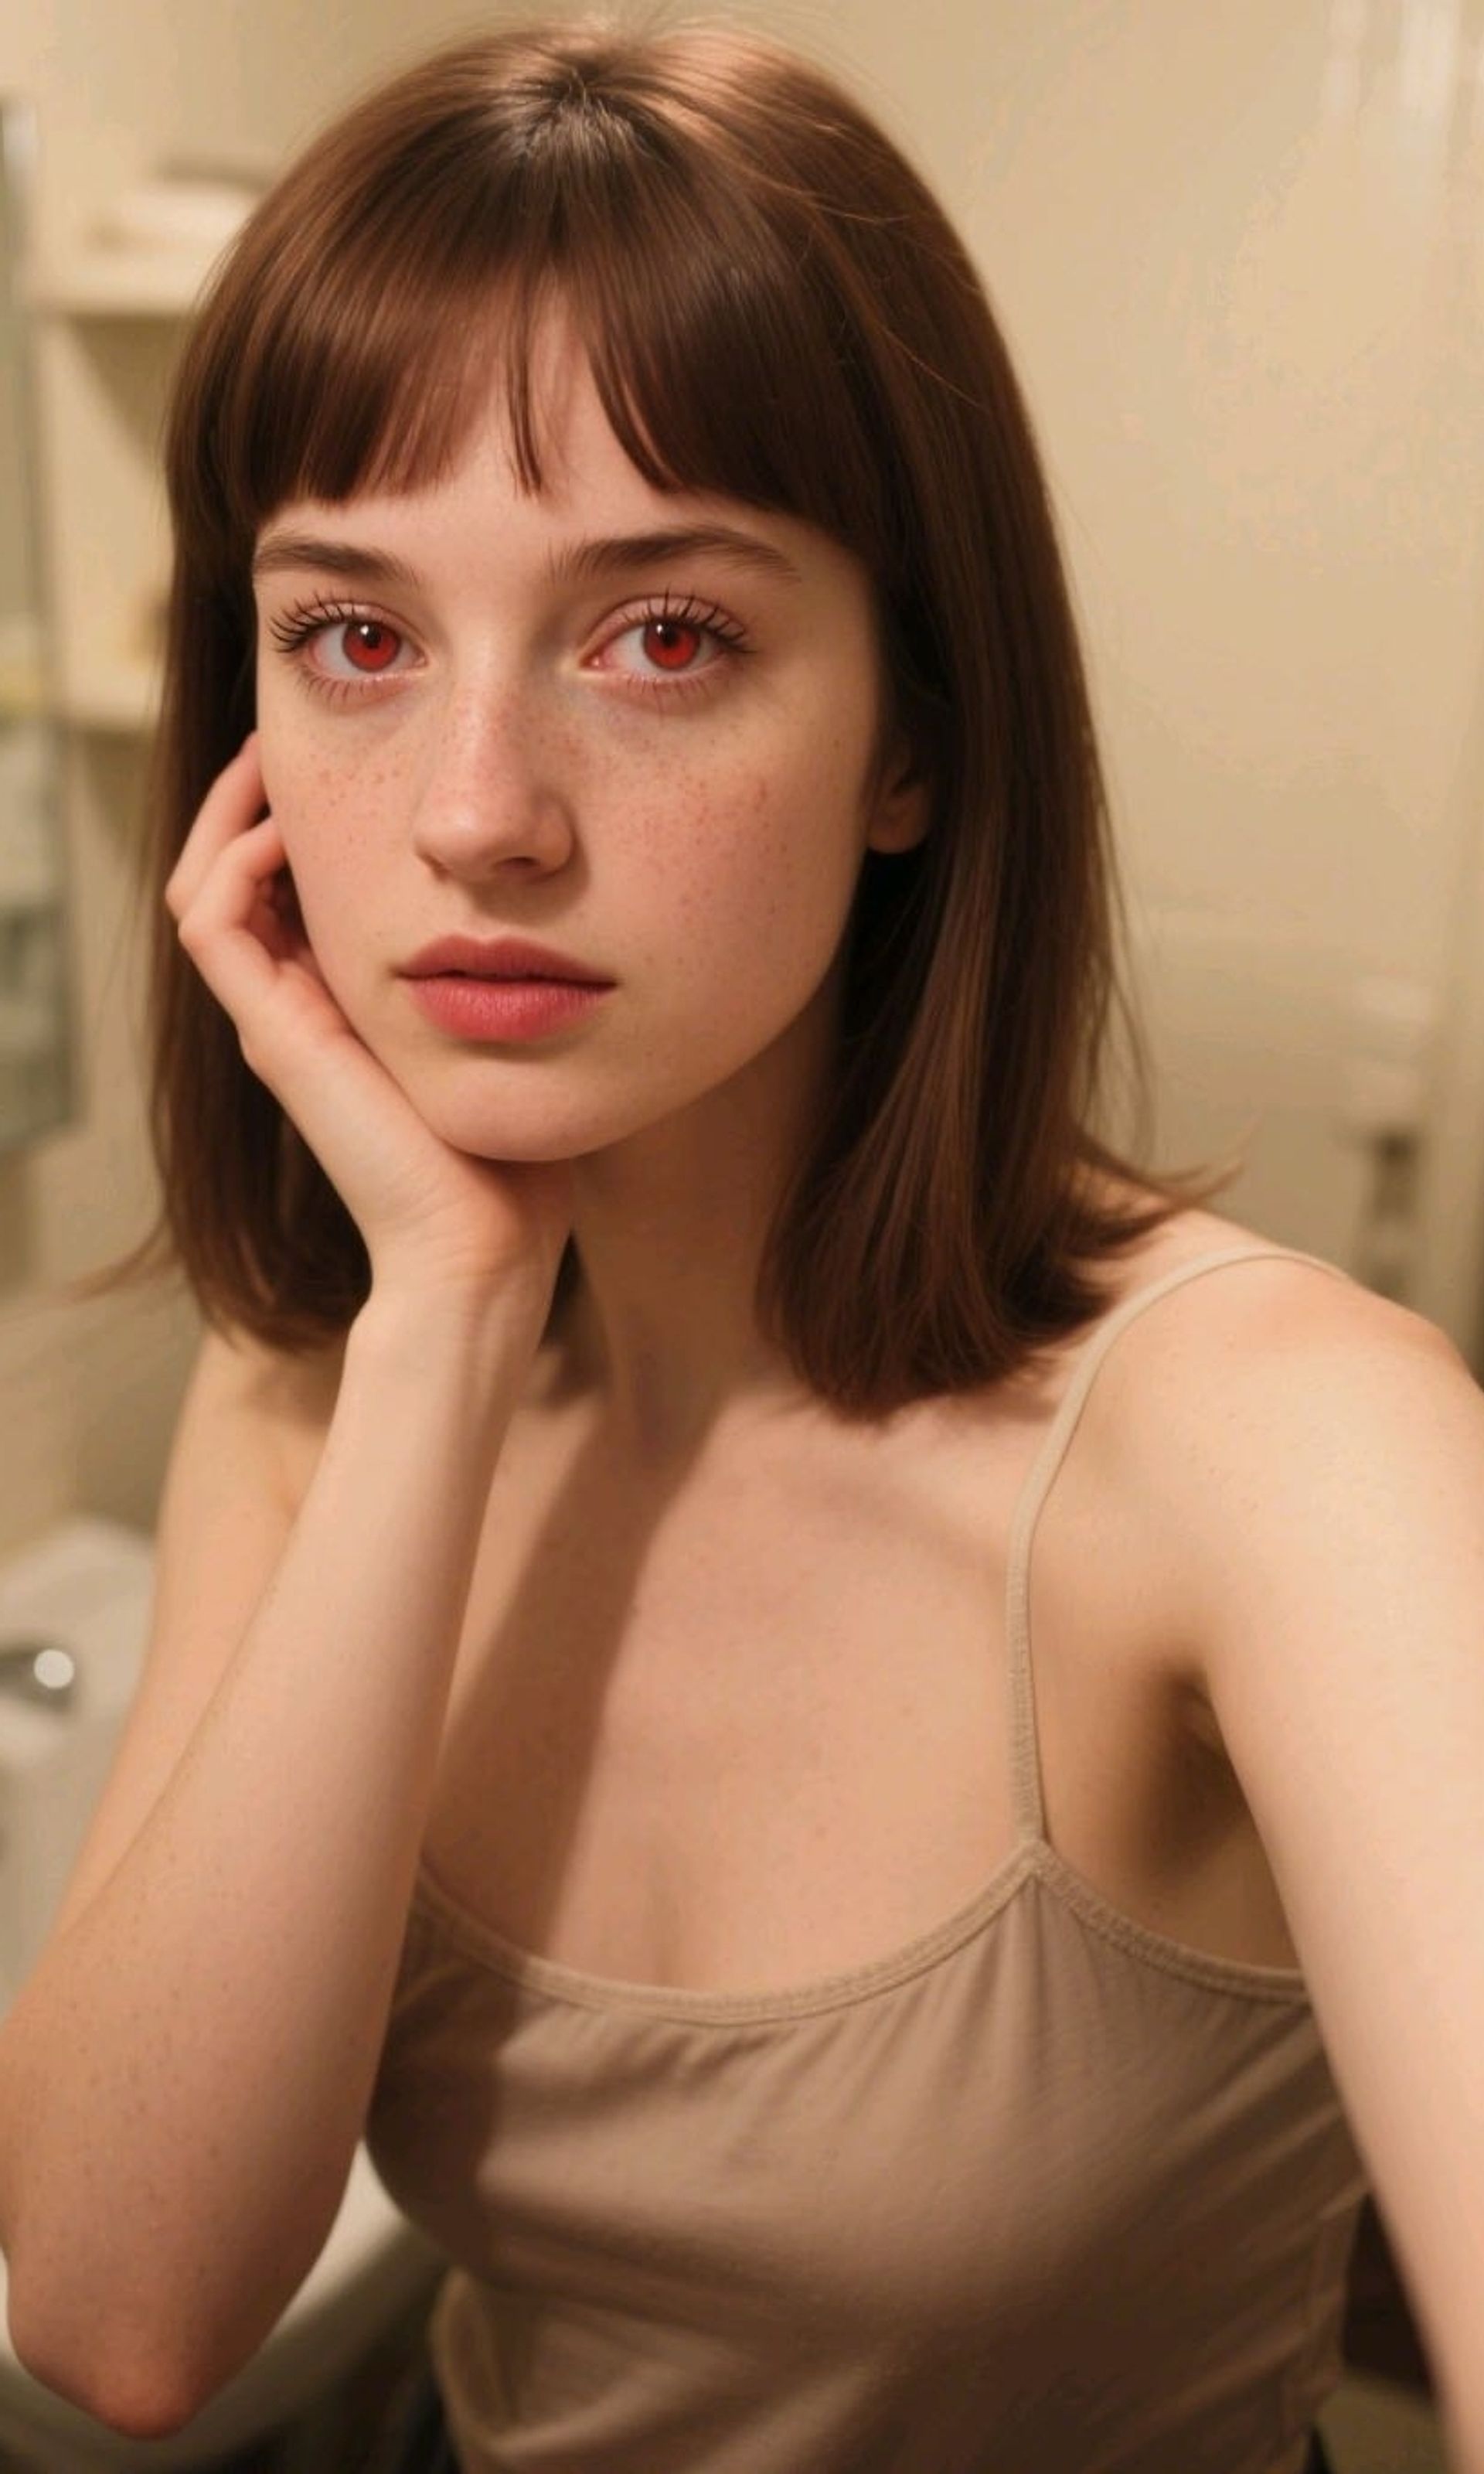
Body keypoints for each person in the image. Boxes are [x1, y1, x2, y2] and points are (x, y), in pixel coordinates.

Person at [1, 19, 1480, 2474]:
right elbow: (119, 2315)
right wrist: (449, 1314)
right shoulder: (314, 1388)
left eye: (662, 636)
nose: (477, 816)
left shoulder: (1293, 1451)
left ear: (914, 735)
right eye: (357, 635)